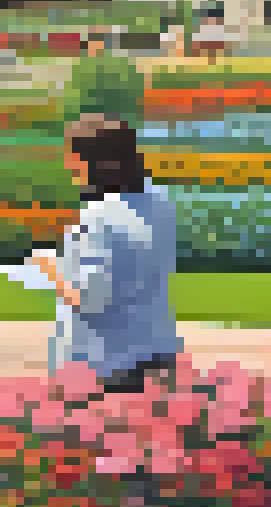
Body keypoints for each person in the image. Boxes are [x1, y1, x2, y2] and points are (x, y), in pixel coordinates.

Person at [24, 113, 183, 395]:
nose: (67, 165)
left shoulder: (99, 216)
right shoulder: (160, 202)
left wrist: (49, 269)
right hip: (157, 351)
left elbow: (89, 299)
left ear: (91, 162)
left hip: (107, 366)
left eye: (71, 156)